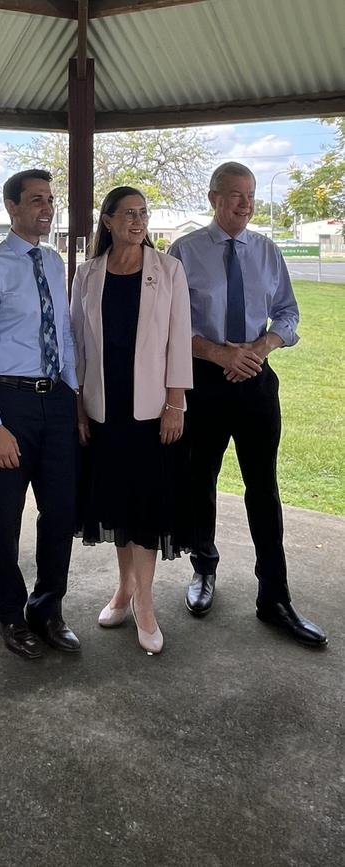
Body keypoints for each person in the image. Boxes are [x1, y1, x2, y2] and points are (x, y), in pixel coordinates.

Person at [169, 161, 327, 647]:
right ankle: (204, 569)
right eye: (236, 194)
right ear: (214, 197)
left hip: (255, 381)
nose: (245, 203)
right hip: (204, 382)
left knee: (264, 488)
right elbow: (169, 324)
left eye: (251, 195)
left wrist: (257, 350)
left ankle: (274, 597)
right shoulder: (184, 252)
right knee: (201, 482)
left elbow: (288, 312)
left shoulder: (266, 250)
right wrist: (218, 353)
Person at [0, 169, 80, 660]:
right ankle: (9, 614)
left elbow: (65, 336)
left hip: (56, 399)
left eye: (50, 200)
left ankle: (47, 608)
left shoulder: (53, 263)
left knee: (61, 512)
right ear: (11, 208)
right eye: (36, 200)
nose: (46, 209)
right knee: (7, 516)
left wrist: (75, 399)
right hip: (8, 404)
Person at [71, 186, 193, 655]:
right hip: (106, 410)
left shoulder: (169, 270)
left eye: (143, 213)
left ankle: (144, 604)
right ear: (107, 220)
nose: (137, 221)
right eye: (128, 213)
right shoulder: (88, 274)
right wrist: (79, 403)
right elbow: (78, 344)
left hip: (153, 413)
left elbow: (179, 339)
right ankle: (124, 590)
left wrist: (175, 402)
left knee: (146, 510)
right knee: (119, 507)